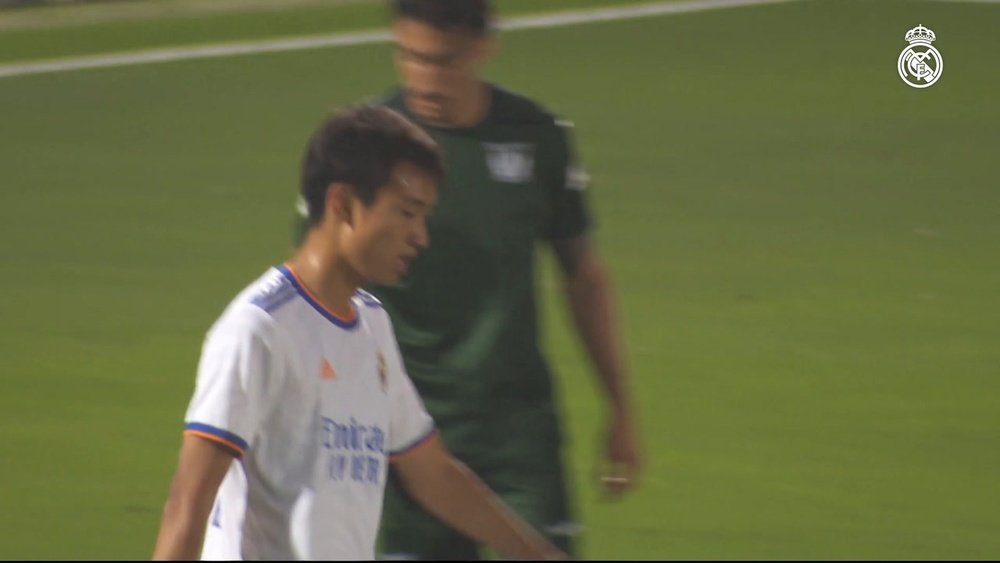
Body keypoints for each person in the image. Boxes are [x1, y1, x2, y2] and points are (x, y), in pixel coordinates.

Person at [152, 105, 566, 561]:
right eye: (407, 213)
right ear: (343, 204)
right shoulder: (259, 331)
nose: (421, 236)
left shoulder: (372, 326)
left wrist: (537, 554)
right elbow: (187, 507)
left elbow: (432, 474)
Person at [353, 1, 643, 559]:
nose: (424, 79)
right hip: (406, 440)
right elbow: (321, 295)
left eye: (444, 61)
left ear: (485, 46)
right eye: (410, 57)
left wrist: (620, 407)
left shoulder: (536, 137)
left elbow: (583, 277)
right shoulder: (365, 148)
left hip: (518, 441)